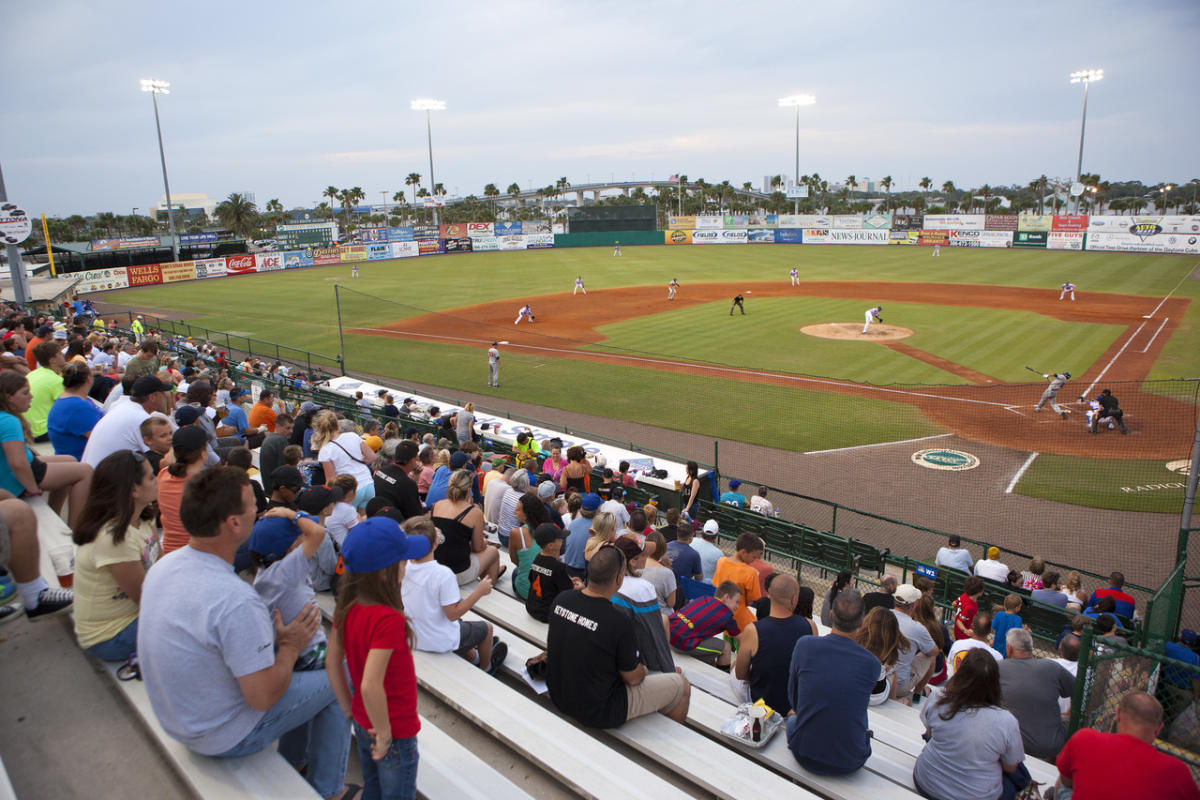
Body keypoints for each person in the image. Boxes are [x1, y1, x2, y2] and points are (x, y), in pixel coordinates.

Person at [136, 467, 352, 799]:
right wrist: (291, 647)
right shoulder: (236, 600)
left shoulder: (165, 565)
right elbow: (263, 696)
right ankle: (330, 790)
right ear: (234, 524)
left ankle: (297, 762)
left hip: (180, 719)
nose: (260, 510)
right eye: (253, 505)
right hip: (220, 735)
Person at [326, 516, 431, 800]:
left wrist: (349, 709)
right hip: (393, 729)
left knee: (372, 787)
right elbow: (370, 684)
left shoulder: (345, 606)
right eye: (402, 560)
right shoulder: (388, 619)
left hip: (362, 718)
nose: (407, 565)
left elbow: (332, 662)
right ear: (385, 573)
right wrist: (384, 735)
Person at [545, 545, 690, 728]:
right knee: (682, 685)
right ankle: (667, 745)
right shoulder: (617, 621)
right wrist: (643, 670)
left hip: (559, 694)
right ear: (619, 579)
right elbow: (633, 678)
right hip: (599, 710)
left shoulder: (562, 599)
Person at [70, 450, 160, 661]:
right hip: (110, 637)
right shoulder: (113, 538)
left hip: (131, 617)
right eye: (151, 476)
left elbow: (161, 564)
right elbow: (146, 598)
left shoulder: (142, 518)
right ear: (134, 490)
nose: (156, 479)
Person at [913, 648, 1028, 800]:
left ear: (961, 674)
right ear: (995, 682)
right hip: (973, 795)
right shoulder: (1007, 721)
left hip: (926, 782)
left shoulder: (938, 696)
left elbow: (929, 734)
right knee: (1014, 781)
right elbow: (1010, 767)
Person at [786, 588, 879, 775]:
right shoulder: (872, 664)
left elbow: (793, 699)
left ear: (830, 614)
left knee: (792, 719)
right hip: (850, 761)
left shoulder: (805, 644)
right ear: (862, 623)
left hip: (804, 753)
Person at [401, 516, 504, 674]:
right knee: (486, 628)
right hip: (435, 640)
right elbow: (452, 614)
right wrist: (479, 592)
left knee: (461, 625)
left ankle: (473, 656)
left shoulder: (402, 568)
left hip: (413, 635)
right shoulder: (442, 574)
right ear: (436, 542)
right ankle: (487, 667)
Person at [1056, 690, 1200, 799]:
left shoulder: (1084, 738)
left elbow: (1067, 781)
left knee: (1063, 781)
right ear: (1159, 728)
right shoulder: (1176, 771)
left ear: (1118, 714)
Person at [0, 371, 93, 529]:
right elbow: (17, 463)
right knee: (85, 471)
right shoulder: (9, 421)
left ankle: (55, 514)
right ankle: (76, 528)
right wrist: (32, 489)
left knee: (69, 459)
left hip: (15, 469)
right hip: (15, 478)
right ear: (9, 397)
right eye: (25, 393)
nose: (31, 396)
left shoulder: (5, 417)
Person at [247, 509, 331, 672]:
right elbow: (318, 532)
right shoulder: (285, 570)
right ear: (292, 546)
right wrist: (291, 514)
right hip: (308, 655)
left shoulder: (264, 572)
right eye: (301, 535)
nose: (304, 538)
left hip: (291, 650)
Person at [736, 574, 811, 714]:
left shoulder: (752, 630)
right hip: (796, 707)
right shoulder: (810, 626)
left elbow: (740, 673)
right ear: (794, 599)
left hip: (762, 707)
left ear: (769, 595)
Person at [998, 628, 1074, 761]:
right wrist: (1069, 712)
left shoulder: (998, 668)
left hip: (1013, 746)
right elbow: (1078, 690)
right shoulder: (1052, 666)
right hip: (1051, 745)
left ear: (1009, 648)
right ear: (1031, 647)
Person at [611, 535, 675, 673]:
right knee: (682, 684)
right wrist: (669, 671)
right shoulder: (642, 588)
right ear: (633, 561)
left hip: (617, 651)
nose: (649, 557)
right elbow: (655, 634)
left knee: (663, 619)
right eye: (645, 554)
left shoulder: (607, 578)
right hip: (636, 664)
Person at [83, 375, 173, 467]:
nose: (164, 396)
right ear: (152, 397)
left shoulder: (123, 406)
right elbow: (160, 455)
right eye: (162, 393)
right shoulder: (140, 418)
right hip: (104, 476)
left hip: (96, 470)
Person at [431, 468, 501, 586]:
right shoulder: (474, 512)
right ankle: (487, 589)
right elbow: (478, 548)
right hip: (456, 573)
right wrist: (484, 542)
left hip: (435, 568)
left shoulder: (437, 505)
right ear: (469, 490)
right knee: (493, 552)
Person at [669, 581, 742, 666]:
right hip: (681, 643)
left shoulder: (704, 598)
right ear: (726, 597)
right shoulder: (726, 615)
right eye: (737, 602)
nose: (737, 607)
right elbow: (742, 640)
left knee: (709, 644)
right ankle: (723, 675)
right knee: (726, 647)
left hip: (668, 635)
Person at [313, 411, 375, 509]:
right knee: (363, 519)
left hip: (349, 490)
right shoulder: (353, 436)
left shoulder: (325, 450)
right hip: (368, 483)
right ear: (337, 425)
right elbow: (372, 457)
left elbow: (330, 480)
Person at [47, 361, 104, 461]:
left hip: (73, 456)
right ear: (88, 378)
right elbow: (100, 439)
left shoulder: (69, 399)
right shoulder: (78, 407)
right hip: (82, 460)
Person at [526, 523, 581, 623]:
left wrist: (567, 580)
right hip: (547, 613)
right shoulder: (558, 567)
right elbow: (568, 589)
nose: (562, 541)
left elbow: (534, 578)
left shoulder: (537, 558)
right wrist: (580, 586)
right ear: (551, 545)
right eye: (560, 540)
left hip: (531, 606)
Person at [892, 583, 939, 698]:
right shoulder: (917, 628)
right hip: (897, 686)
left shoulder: (881, 615)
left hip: (876, 677)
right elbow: (934, 652)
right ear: (913, 605)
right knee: (931, 658)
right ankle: (916, 694)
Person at [856, 607, 909, 705]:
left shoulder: (857, 639)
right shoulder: (889, 648)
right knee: (893, 670)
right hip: (876, 697)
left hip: (855, 690)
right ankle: (893, 701)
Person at [711, 533, 764, 631]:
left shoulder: (721, 561)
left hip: (718, 614)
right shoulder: (751, 572)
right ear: (743, 552)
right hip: (739, 620)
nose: (754, 561)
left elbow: (716, 586)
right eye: (753, 557)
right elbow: (750, 601)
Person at [373, 440, 423, 520]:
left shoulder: (382, 470)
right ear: (413, 460)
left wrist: (416, 475)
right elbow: (416, 516)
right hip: (396, 524)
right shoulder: (407, 484)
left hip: (377, 515)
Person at [26, 340, 64, 442]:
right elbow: (69, 408)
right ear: (52, 360)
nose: (63, 354)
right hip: (42, 431)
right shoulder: (56, 381)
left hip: (26, 429)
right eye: (60, 353)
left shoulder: (32, 374)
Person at [258, 413, 294, 495]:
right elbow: (285, 469)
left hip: (269, 488)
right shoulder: (280, 441)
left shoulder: (269, 438)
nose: (291, 431)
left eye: (292, 428)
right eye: (288, 428)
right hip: (278, 492)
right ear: (277, 426)